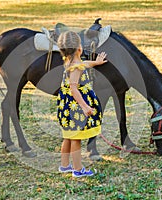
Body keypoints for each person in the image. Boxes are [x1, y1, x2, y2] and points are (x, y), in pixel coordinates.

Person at [57, 31, 107, 177]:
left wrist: (96, 63)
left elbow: (84, 64)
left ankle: (65, 165)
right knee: (76, 138)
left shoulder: (70, 62)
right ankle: (78, 170)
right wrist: (85, 107)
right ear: (79, 49)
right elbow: (74, 89)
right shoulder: (76, 67)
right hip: (75, 107)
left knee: (68, 136)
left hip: (66, 106)